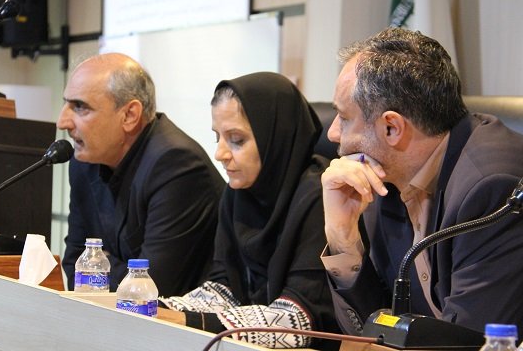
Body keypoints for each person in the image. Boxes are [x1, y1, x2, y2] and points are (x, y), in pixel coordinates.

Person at [320, 27, 523, 335]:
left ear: (392, 128)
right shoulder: (383, 176)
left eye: (344, 118)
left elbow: (470, 339)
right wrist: (343, 238)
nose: (333, 133)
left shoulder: (493, 187)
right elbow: (372, 333)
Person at [158, 72, 340, 349]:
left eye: (236, 140)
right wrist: (155, 308)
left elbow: (297, 318)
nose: (220, 153)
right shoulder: (238, 193)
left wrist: (188, 320)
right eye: (218, 137)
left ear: (274, 139)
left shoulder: (320, 196)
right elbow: (223, 287)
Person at [57, 53, 225, 296]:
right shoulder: (85, 161)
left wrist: (101, 264)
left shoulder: (177, 164)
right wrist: (113, 268)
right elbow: (75, 264)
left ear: (129, 115)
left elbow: (151, 289)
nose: (63, 122)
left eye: (80, 107)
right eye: (66, 104)